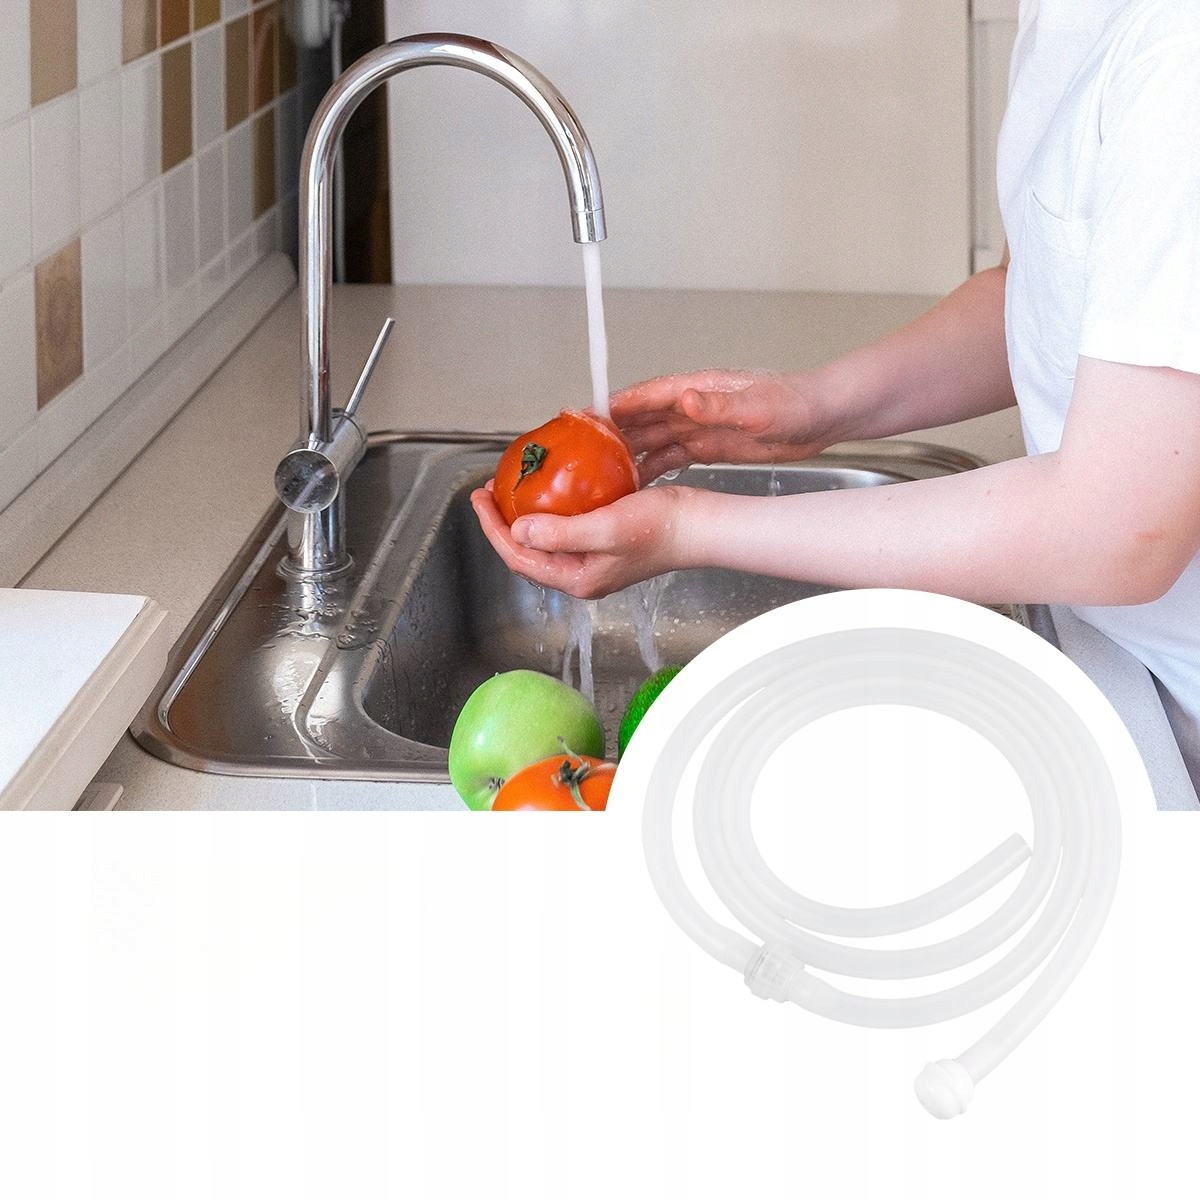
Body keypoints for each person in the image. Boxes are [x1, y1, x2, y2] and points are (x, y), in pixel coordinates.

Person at [471, 0, 1200, 789]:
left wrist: (688, 526)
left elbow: (1117, 530)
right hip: (1122, 662)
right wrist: (817, 405)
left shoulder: (1177, 56)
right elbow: (1038, 291)